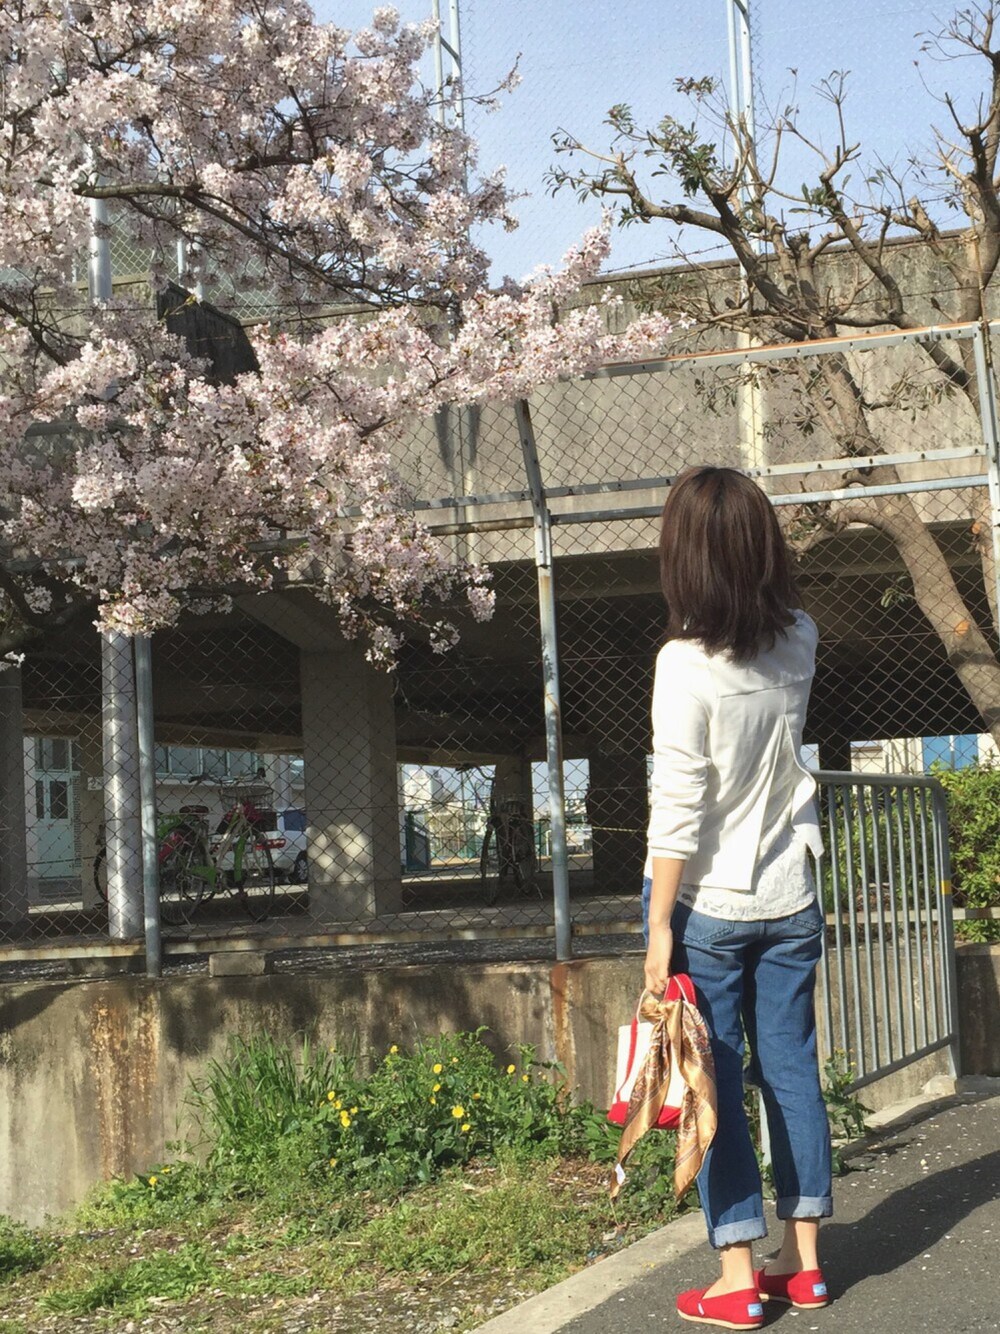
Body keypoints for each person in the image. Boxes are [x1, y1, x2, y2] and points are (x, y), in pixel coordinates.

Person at [642, 466, 832, 1332]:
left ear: (683, 556)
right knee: (791, 1070)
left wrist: (657, 930)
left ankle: (736, 1279)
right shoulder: (802, 639)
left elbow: (678, 808)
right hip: (791, 892)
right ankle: (807, 1267)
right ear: (764, 547)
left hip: (709, 906)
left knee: (708, 1083)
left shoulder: (683, 665)